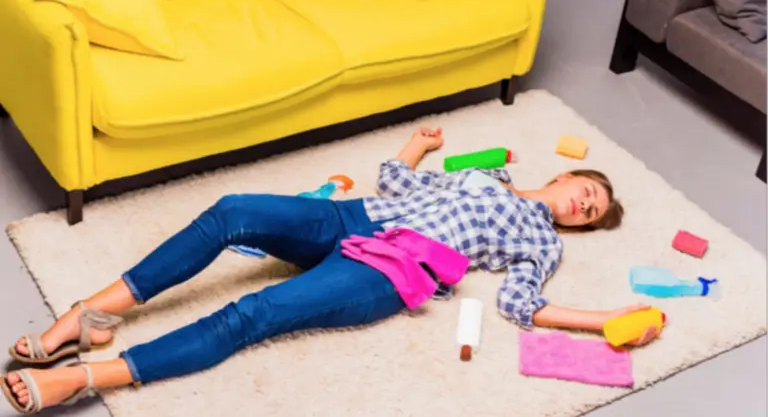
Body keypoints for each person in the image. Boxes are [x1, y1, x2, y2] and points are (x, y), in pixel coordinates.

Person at [2, 127, 658, 414]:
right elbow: (397, 182)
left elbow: (523, 304)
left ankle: (83, 377)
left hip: (393, 270)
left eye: (590, 213)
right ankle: (91, 314)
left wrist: (608, 320)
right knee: (232, 210)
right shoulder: (489, 174)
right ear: (566, 176)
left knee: (254, 312)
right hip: (354, 217)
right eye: (587, 193)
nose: (583, 206)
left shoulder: (541, 242)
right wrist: (419, 146)